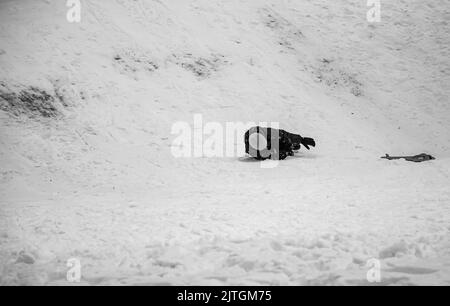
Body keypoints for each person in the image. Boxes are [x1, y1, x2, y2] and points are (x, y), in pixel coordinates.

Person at [245, 127, 316, 160]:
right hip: (271, 148)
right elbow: (273, 155)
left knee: (286, 140)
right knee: (283, 150)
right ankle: (288, 147)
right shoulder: (254, 152)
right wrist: (286, 152)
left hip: (274, 139)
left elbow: (285, 135)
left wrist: (300, 139)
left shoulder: (269, 133)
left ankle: (289, 145)